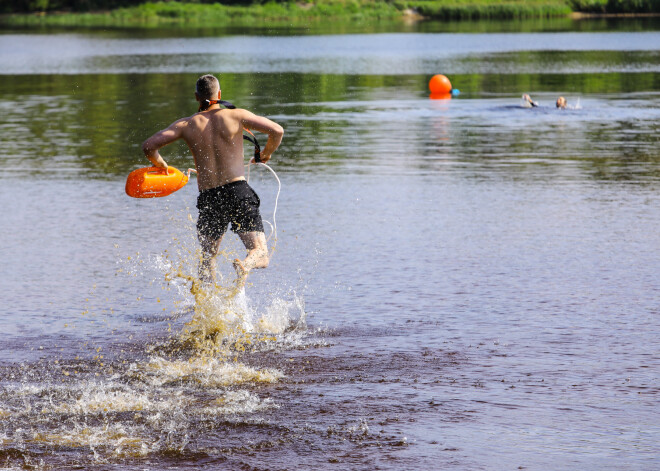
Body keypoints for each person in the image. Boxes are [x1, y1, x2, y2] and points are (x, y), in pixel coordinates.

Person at [142, 74, 284, 286]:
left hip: (210, 197)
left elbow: (148, 147)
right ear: (219, 94)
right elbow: (277, 130)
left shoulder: (185, 125)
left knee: (208, 257)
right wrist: (266, 153)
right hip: (237, 192)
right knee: (260, 252)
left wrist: (162, 165)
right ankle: (245, 265)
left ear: (196, 96)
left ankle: (205, 309)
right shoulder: (236, 115)